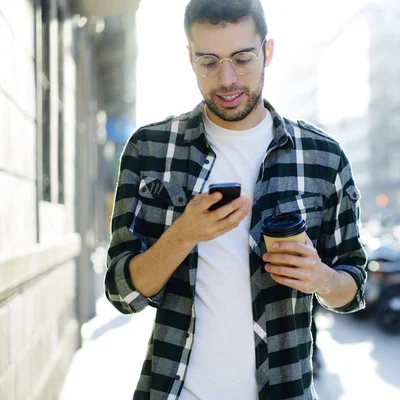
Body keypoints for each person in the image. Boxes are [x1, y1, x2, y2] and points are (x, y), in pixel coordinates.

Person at [104, 1, 367, 399]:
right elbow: (122, 294)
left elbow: (355, 288)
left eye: (242, 58)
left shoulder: (323, 157)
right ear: (190, 59)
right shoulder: (150, 149)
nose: (226, 79)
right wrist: (184, 233)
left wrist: (322, 279)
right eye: (208, 61)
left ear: (268, 52)